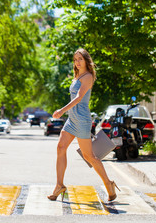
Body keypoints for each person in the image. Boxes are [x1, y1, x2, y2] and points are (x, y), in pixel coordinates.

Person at [47, 48, 119, 202]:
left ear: (86, 60)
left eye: (80, 59)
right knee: (60, 148)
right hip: (72, 119)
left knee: (89, 156)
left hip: (82, 120)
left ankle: (109, 184)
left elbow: (79, 98)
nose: (77, 62)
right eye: (75, 59)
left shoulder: (87, 77)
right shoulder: (77, 76)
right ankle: (59, 185)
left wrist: (61, 110)